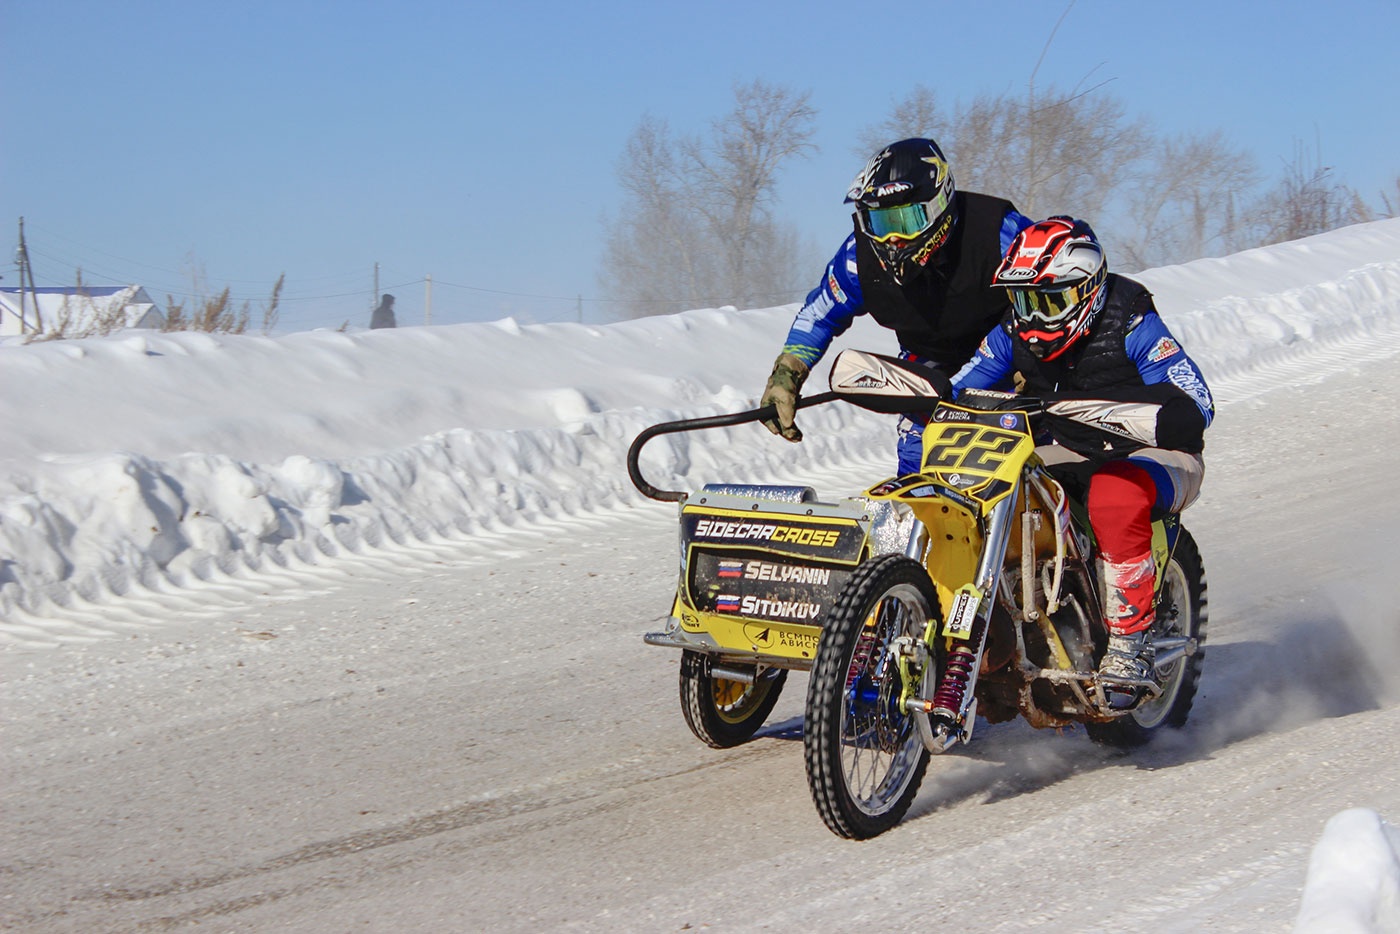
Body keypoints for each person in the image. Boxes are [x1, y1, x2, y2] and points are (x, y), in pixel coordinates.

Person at [950, 216, 1215, 707]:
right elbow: (959, 392)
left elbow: (1196, 400)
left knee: (1114, 495)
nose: (1033, 317)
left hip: (1156, 451)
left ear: (1087, 291)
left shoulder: (1131, 319)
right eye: (1023, 300)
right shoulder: (1012, 329)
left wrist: (1151, 413)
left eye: (1048, 302)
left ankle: (1131, 645)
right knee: (980, 481)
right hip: (1071, 447)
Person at [759, 137, 1033, 474]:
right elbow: (819, 315)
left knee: (1027, 463)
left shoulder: (1001, 234)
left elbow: (1060, 291)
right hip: (929, 369)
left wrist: (1036, 360)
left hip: (1012, 363)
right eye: (881, 223)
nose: (893, 239)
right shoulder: (857, 259)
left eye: (906, 221)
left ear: (940, 203)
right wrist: (786, 375)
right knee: (920, 457)